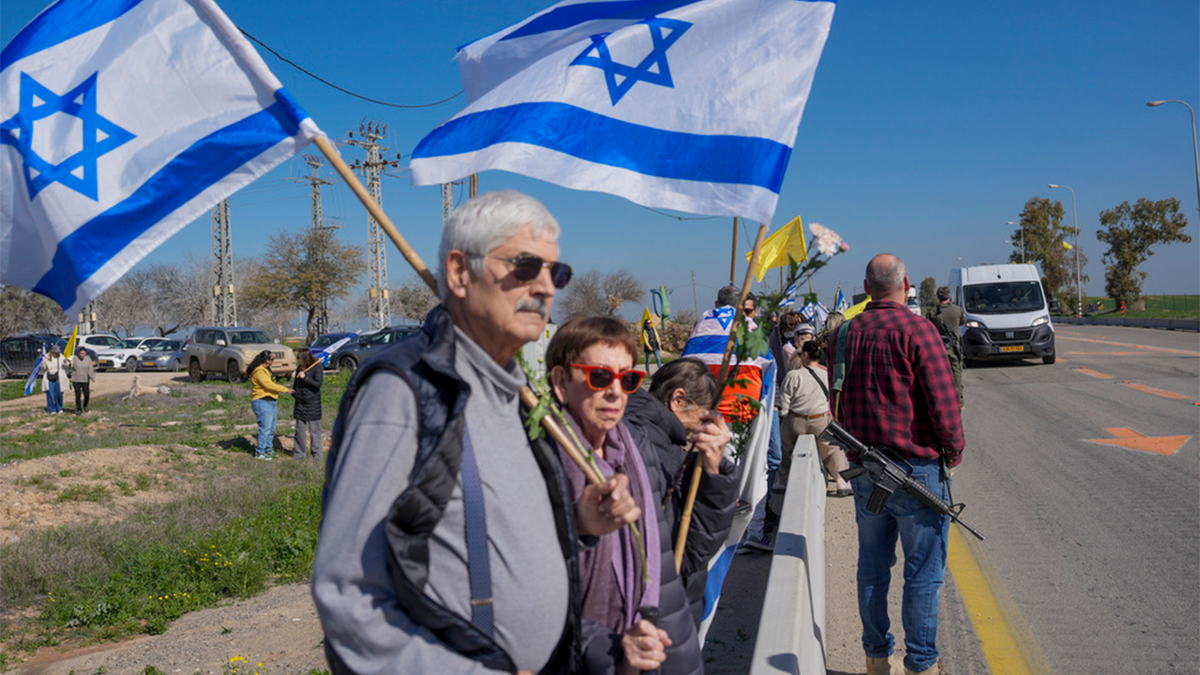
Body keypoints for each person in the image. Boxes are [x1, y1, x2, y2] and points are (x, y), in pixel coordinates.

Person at [312, 191, 639, 675]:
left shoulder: (514, 391)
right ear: (460, 272)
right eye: (526, 267)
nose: (547, 287)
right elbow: (349, 594)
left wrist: (579, 524)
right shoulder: (408, 391)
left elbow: (482, 541)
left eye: (556, 272)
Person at [832, 254, 964, 675]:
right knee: (923, 573)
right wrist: (953, 453)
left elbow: (836, 399)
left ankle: (876, 658)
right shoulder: (919, 330)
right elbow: (944, 406)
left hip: (867, 471)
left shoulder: (846, 333)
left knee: (872, 566)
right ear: (906, 284)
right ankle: (922, 665)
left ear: (866, 288)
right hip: (915, 473)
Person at [547, 317, 695, 674]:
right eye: (599, 376)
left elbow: (684, 555)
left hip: (654, 644)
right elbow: (529, 595)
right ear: (561, 381)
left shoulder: (636, 452)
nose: (615, 391)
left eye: (627, 379)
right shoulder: (539, 462)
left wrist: (718, 473)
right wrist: (576, 525)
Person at [624, 357, 739, 628]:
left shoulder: (647, 433)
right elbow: (689, 552)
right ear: (678, 399)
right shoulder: (654, 447)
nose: (702, 425)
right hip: (660, 613)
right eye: (704, 413)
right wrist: (713, 478)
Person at [247, 350, 293, 460]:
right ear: (267, 360)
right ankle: (260, 452)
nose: (273, 361)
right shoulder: (259, 372)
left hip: (271, 402)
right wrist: (285, 390)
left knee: (271, 428)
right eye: (272, 359)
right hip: (262, 402)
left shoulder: (267, 370)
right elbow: (268, 385)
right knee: (265, 428)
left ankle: (268, 448)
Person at [925, 286, 965, 405]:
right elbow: (962, 321)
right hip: (954, 348)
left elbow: (927, 327)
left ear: (938, 297)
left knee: (937, 375)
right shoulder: (957, 310)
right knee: (956, 373)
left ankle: (939, 400)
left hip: (938, 348)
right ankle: (959, 401)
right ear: (949, 296)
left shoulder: (932, 312)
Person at [292, 348, 324, 461]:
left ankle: (316, 455)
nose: (297, 359)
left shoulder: (316, 368)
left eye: (298, 357)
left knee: (314, 431)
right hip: (300, 404)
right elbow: (295, 385)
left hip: (312, 404)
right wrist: (294, 393)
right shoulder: (299, 369)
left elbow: (318, 384)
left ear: (304, 357)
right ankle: (300, 453)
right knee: (299, 430)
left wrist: (305, 378)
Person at [39, 344, 69, 414]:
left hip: (59, 377)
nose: (56, 353)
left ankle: (59, 408)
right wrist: (42, 364)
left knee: (59, 393)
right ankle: (52, 409)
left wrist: (66, 362)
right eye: (55, 352)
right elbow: (44, 368)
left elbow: (66, 365)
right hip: (49, 377)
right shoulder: (46, 357)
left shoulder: (61, 357)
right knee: (50, 394)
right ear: (52, 351)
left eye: (57, 352)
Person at [69, 347, 95, 415]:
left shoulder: (88, 359)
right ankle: (79, 409)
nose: (82, 355)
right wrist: (70, 363)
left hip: (85, 379)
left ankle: (85, 406)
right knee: (78, 395)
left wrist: (92, 377)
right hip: (76, 379)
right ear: (78, 353)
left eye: (84, 353)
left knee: (86, 395)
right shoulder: (74, 358)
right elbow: (69, 367)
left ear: (86, 353)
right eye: (81, 353)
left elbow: (90, 369)